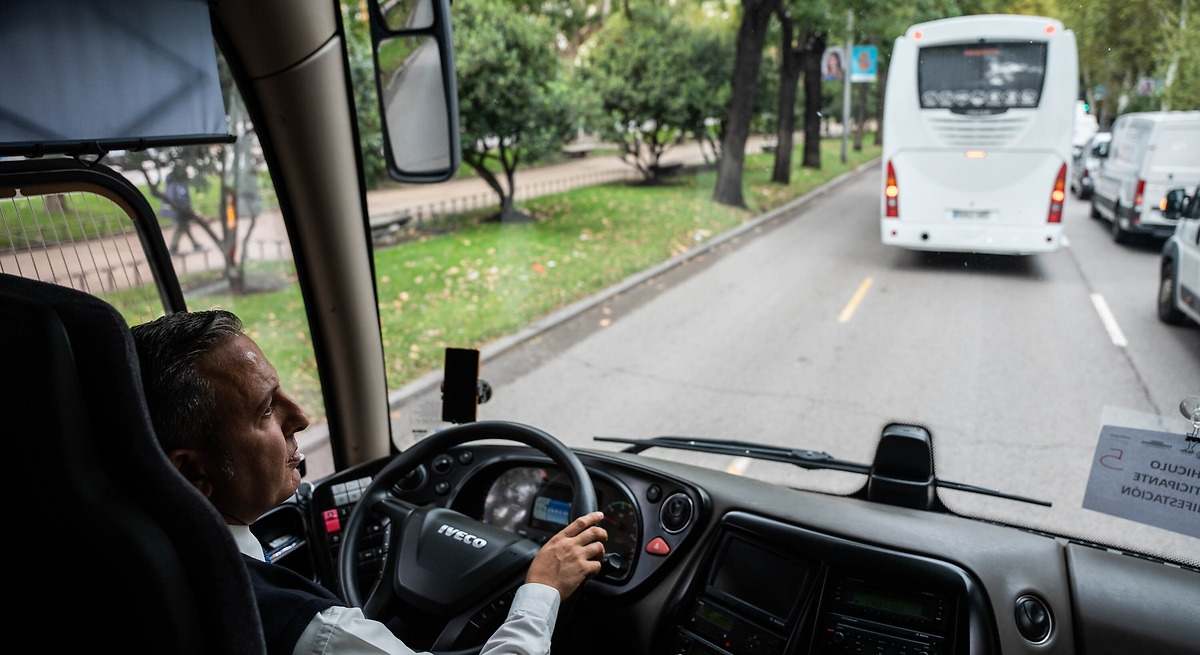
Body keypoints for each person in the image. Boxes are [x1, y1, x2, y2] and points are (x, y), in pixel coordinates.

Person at [131, 310, 607, 655]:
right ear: (192, 472)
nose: (300, 416)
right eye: (266, 409)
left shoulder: (134, 556)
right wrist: (542, 587)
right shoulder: (308, 630)